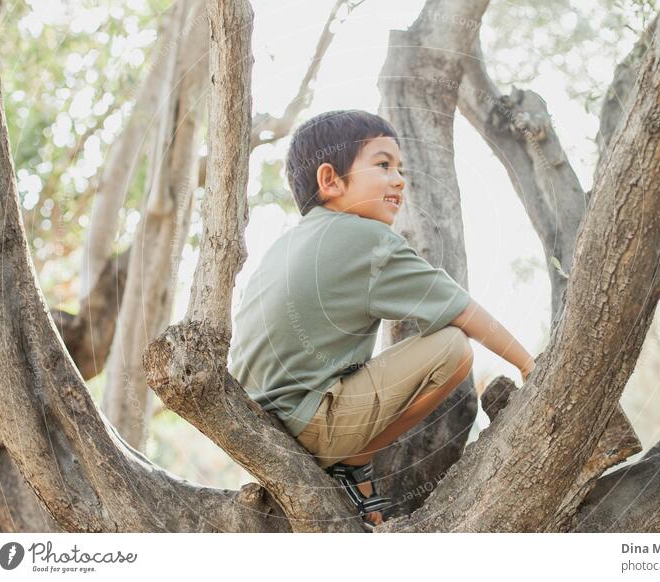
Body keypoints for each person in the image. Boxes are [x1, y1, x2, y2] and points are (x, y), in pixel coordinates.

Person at [228, 110, 535, 530]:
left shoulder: (288, 242)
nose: (399, 180)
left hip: (257, 426)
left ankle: (351, 467)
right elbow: (464, 311)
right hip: (305, 425)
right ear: (330, 180)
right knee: (451, 347)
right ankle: (354, 460)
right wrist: (529, 365)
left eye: (401, 169)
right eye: (383, 164)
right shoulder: (366, 238)